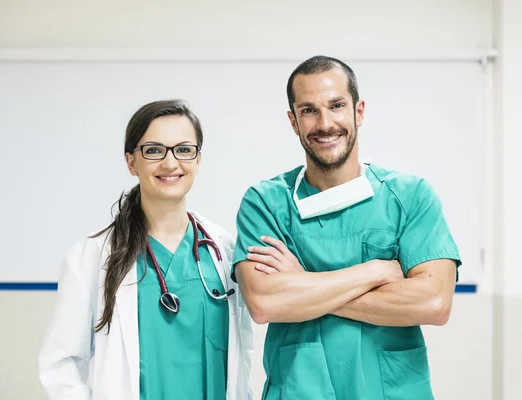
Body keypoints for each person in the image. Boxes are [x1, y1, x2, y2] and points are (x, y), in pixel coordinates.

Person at [233, 56, 461, 399]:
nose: (325, 123)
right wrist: (375, 271)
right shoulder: (265, 203)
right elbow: (265, 302)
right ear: (293, 122)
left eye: (336, 105)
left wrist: (304, 285)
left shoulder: (410, 196)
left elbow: (433, 302)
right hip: (300, 390)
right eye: (308, 110)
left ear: (359, 111)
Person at [39, 100, 253, 400]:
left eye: (183, 149)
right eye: (154, 150)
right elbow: (61, 366)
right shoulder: (91, 257)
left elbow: (240, 357)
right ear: (131, 162)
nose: (170, 163)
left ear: (198, 160)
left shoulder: (223, 249)